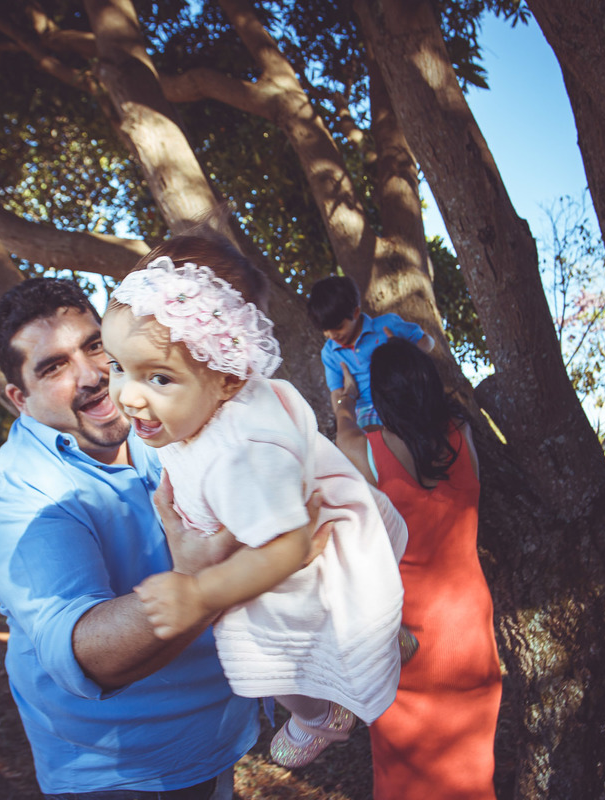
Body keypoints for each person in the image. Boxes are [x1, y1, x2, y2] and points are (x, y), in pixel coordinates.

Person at [0, 276, 328, 798]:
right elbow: (84, 653)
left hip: (220, 738)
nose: (92, 375)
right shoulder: (22, 498)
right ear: (19, 399)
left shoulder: (159, 419)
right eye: (54, 367)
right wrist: (202, 579)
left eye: (94, 346)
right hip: (125, 768)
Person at [100, 235, 406, 770]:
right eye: (118, 366)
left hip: (284, 544)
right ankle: (380, 634)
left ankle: (319, 716)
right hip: (276, 520)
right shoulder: (199, 409)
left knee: (267, 656)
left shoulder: (238, 454)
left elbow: (291, 546)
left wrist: (200, 594)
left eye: (158, 377)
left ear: (226, 378)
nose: (126, 394)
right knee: (350, 605)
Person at [335, 337, 503, 800]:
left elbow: (340, 433)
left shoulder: (366, 452)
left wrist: (345, 402)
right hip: (470, 631)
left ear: (382, 398)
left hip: (406, 640)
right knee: (470, 773)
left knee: (404, 778)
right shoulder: (462, 437)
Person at [306, 274, 435, 427]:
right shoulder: (329, 353)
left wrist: (404, 354)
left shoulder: (387, 324)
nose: (332, 335)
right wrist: (343, 423)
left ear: (355, 312)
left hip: (402, 398)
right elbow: (336, 392)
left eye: (338, 327)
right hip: (365, 410)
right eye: (325, 330)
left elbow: (428, 341)